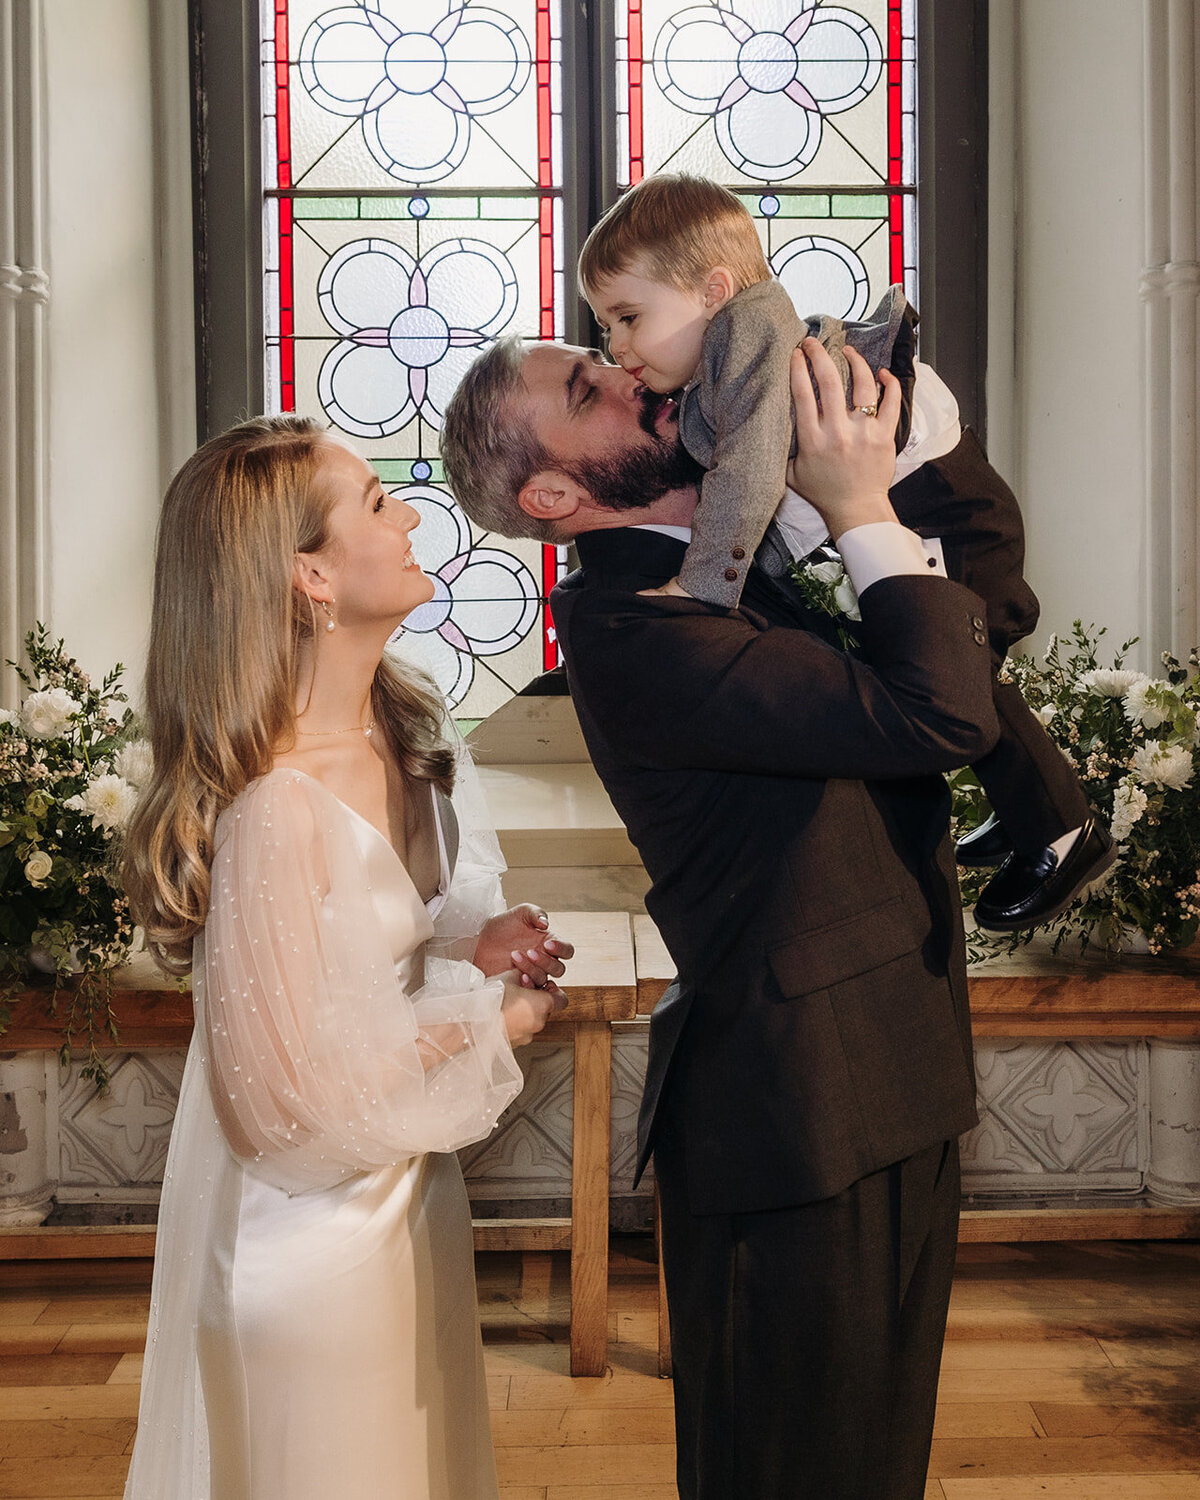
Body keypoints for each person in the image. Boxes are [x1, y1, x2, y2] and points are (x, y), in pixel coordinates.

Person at [440, 331, 995, 1499]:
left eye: (614, 352)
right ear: (553, 495)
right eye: (592, 392)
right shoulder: (633, 624)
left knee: (873, 1461)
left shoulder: (734, 554)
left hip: (894, 1066)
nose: (637, 378)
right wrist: (858, 512)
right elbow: (939, 715)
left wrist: (875, 468)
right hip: (796, 1108)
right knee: (792, 1467)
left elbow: (978, 627)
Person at [121, 415, 573, 1500]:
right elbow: (276, 1108)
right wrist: (483, 1024)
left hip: (402, 1196)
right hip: (305, 1240)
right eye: (378, 501)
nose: (412, 514)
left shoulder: (397, 719)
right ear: (307, 575)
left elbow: (375, 924)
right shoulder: (274, 805)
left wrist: (471, 937)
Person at [576, 173, 1115, 933]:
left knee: (961, 674)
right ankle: (1032, 806)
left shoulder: (749, 333)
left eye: (628, 316)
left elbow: (754, 466)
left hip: (948, 514)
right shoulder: (722, 360)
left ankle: (1063, 830)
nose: (617, 345)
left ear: (712, 289)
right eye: (606, 328)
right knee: (956, 673)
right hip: (927, 514)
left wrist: (704, 589)